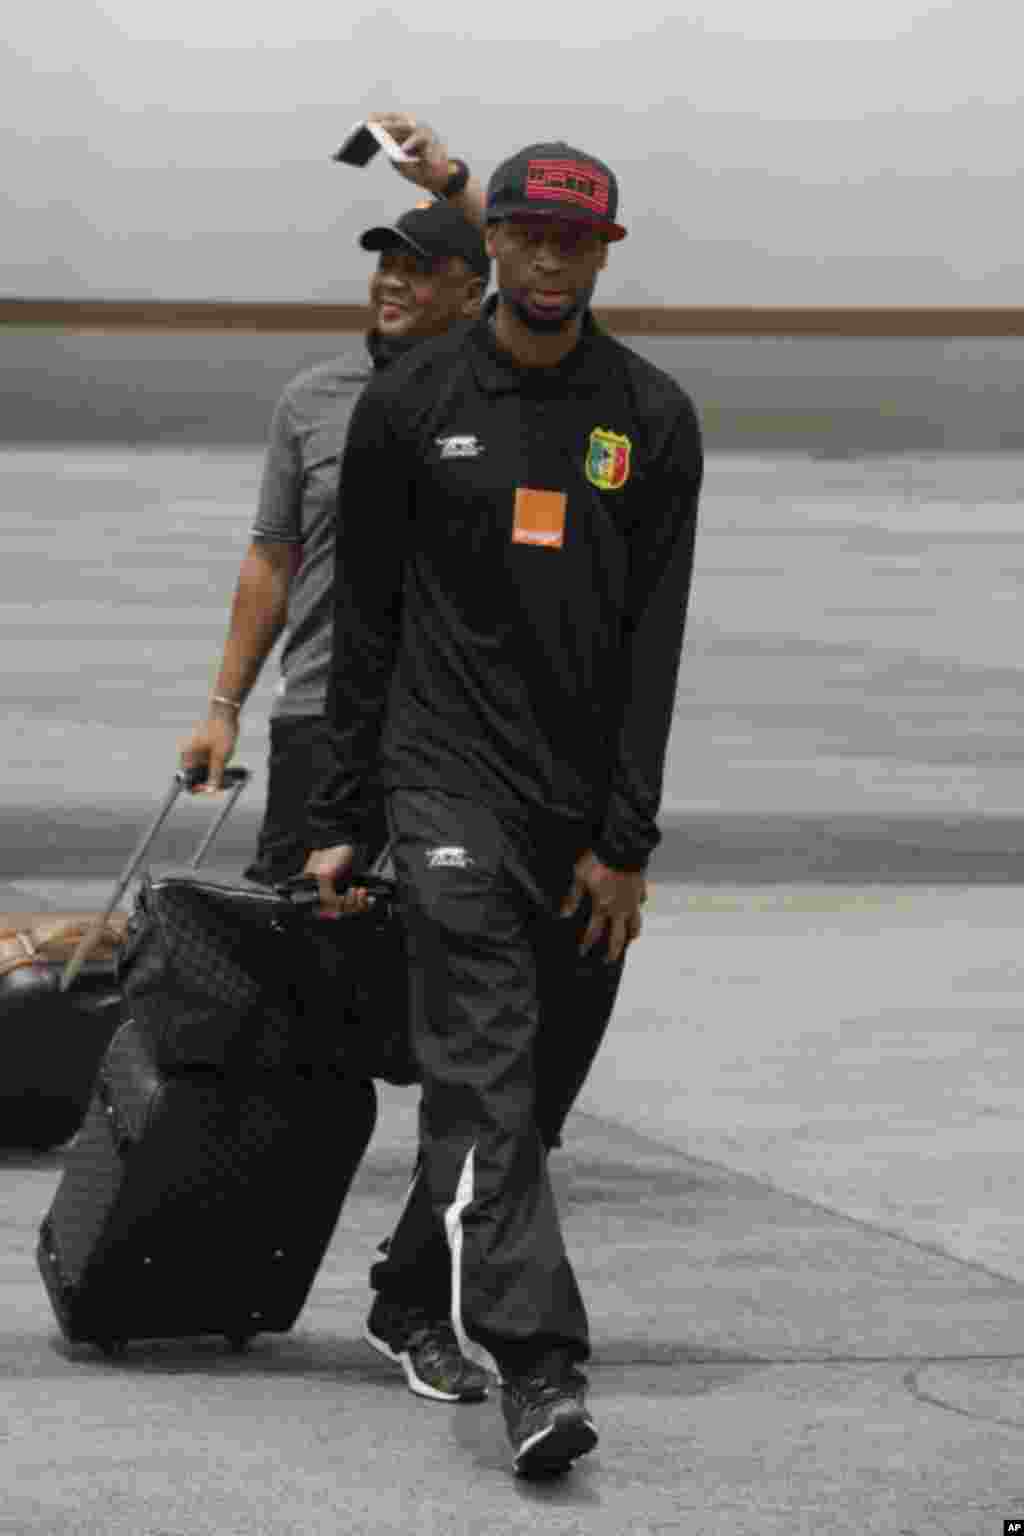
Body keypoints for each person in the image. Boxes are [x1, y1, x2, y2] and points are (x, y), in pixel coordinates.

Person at [305, 141, 703, 1476]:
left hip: (577, 814)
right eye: (527, 234)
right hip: (443, 784)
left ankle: (407, 1292)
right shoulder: (411, 401)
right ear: (497, 243)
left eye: (573, 241)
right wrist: (341, 812)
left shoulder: (651, 418)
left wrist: (624, 841)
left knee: (527, 1097)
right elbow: (364, 625)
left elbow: (654, 645)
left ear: (604, 255)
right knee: (483, 1071)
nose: (547, 258)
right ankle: (540, 1367)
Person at [178, 116, 494, 1404]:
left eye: (421, 264)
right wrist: (221, 705)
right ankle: (214, 1253)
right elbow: (271, 558)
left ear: (468, 289)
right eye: (385, 261)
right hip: (317, 730)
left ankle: (417, 1284)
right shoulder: (311, 400)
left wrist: (455, 183)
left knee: (450, 1017)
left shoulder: (487, 388)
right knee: (279, 1004)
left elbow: (546, 281)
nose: (393, 280)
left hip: (449, 742)